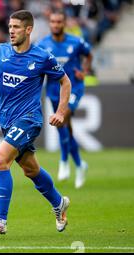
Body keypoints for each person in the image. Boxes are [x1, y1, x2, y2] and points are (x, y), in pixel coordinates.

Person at [0, 10, 72, 234]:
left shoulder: (42, 57)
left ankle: (0, 221)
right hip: (7, 121)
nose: (11, 31)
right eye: (10, 27)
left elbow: (65, 82)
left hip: (29, 119)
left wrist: (61, 112)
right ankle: (58, 203)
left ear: (28, 30)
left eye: (16, 27)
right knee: (30, 169)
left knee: (0, 159)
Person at [37, 10, 93, 189]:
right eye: (53, 22)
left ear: (64, 23)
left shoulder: (75, 42)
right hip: (54, 90)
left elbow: (89, 54)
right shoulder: (43, 44)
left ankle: (63, 161)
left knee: (63, 118)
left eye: (59, 22)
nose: (56, 25)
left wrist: (84, 71)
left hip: (74, 87)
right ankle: (79, 164)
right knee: (66, 128)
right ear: (49, 23)